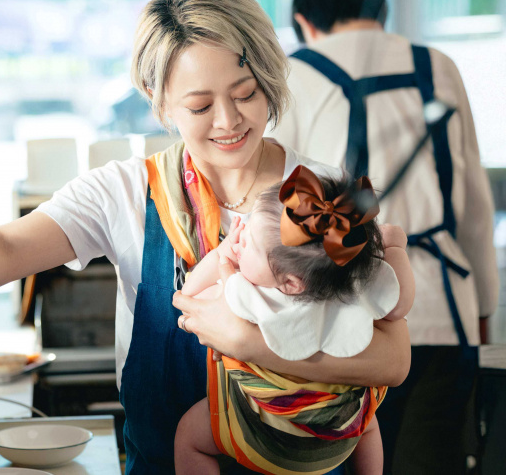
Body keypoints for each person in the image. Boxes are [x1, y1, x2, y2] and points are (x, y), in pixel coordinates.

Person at [0, 0, 413, 475]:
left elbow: (390, 358)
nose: (228, 121)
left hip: (305, 462)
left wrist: (249, 343)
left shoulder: (319, 192)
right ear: (159, 101)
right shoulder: (126, 191)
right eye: (199, 106)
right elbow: (8, 247)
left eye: (247, 93)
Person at [268, 0, 498, 473]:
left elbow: (281, 208)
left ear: (304, 20)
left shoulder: (295, 73)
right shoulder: (437, 65)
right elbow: (475, 209)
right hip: (444, 306)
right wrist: (483, 307)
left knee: (344, 460)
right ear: (382, 11)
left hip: (346, 315)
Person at [174, 167, 415, 475]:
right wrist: (394, 247)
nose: (240, 236)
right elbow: (398, 306)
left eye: (248, 242)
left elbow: (191, 294)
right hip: (339, 436)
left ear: (290, 284)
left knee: (189, 437)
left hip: (270, 439)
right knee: (367, 418)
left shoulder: (246, 293)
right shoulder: (352, 281)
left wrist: (224, 255)